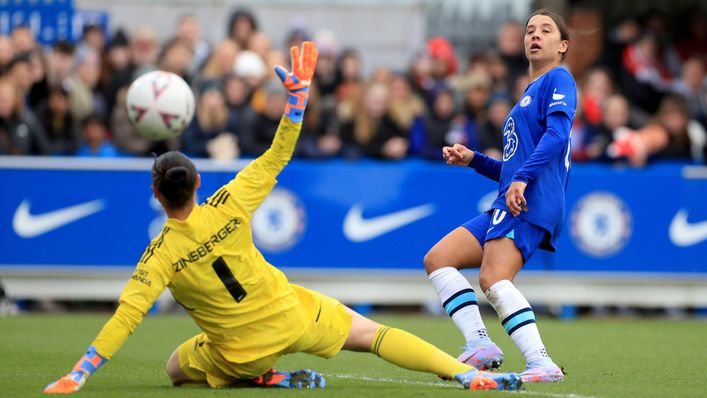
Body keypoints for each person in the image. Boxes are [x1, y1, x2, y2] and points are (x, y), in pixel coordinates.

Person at [43, 42, 522, 394]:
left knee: (174, 368)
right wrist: (296, 101)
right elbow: (277, 154)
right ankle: (466, 373)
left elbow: (128, 316)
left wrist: (78, 373)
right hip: (291, 314)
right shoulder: (228, 203)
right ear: (197, 185)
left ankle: (258, 375)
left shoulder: (160, 254)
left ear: (155, 193)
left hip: (237, 350)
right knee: (371, 335)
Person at [423, 9, 577, 384]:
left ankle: (541, 362)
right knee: (439, 259)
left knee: (493, 278)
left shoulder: (559, 78)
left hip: (531, 200)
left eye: (545, 30)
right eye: (529, 30)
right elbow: (511, 168)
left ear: (562, 46)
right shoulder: (528, 92)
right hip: (511, 198)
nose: (534, 35)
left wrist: (522, 179)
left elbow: (557, 137)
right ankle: (480, 343)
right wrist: (473, 159)